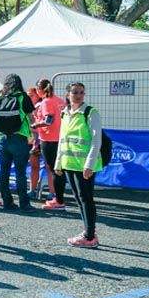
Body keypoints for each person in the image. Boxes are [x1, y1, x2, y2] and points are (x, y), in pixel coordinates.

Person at [55, 82, 104, 248]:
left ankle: (89, 236)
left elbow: (97, 140)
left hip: (84, 165)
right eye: (75, 92)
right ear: (68, 94)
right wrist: (58, 162)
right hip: (69, 163)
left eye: (81, 92)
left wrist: (89, 165)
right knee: (79, 198)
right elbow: (62, 139)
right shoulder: (65, 113)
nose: (78, 95)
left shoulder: (91, 113)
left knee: (86, 199)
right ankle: (89, 232)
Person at [0, 74, 36, 211]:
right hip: (19, 138)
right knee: (20, 172)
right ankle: (24, 203)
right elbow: (31, 118)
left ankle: (7, 202)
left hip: (2, 138)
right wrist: (33, 134)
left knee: (4, 172)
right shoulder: (23, 97)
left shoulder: (0, 97)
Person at [33, 79, 67, 210]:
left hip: (49, 139)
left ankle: (59, 201)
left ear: (40, 90)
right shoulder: (59, 101)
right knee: (59, 169)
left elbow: (48, 120)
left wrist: (35, 124)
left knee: (55, 170)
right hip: (60, 138)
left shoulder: (46, 102)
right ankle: (59, 199)